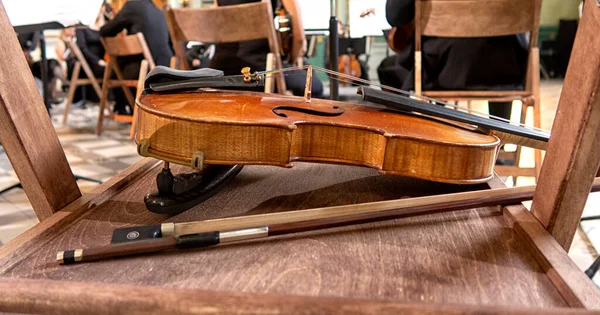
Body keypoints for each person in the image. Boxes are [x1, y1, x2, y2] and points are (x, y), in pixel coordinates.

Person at [377, 0, 528, 121]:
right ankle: (499, 145)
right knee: (497, 51)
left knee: (388, 69)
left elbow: (395, 15)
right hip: (508, 70)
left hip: (443, 71)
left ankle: (413, 137)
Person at [210, 0, 323, 98]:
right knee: (315, 86)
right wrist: (290, 63)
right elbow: (299, 40)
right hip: (261, 72)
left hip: (221, 72)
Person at [99, 0, 173, 115]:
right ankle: (131, 109)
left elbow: (107, 30)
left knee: (116, 68)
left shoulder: (132, 6)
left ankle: (124, 109)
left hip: (145, 67)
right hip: (165, 66)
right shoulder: (159, 11)